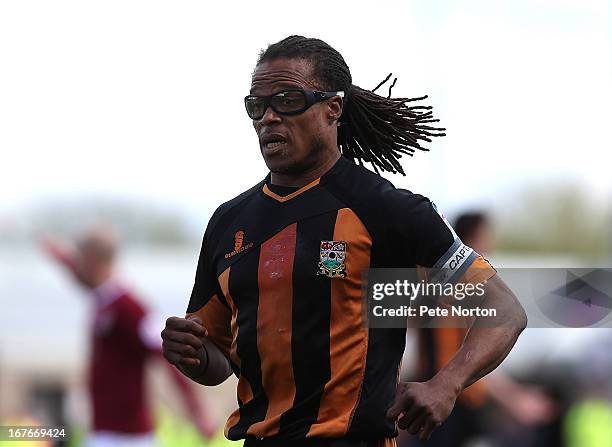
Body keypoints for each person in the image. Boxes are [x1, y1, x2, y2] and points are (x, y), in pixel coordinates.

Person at [161, 35, 527, 447]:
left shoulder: (387, 209)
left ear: (332, 108)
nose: (268, 117)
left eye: (287, 99)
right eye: (256, 105)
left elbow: (505, 310)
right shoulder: (229, 222)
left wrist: (447, 384)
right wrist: (191, 353)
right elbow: (218, 362)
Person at [42, 227, 216, 447]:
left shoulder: (128, 307)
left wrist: (197, 412)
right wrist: (59, 257)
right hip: (106, 432)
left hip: (128, 438)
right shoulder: (102, 298)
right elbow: (80, 277)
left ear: (93, 260)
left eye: (79, 257)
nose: (75, 264)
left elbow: (170, 355)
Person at [404, 212, 555, 446]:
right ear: (472, 241)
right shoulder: (455, 290)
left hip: (446, 404)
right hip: (448, 408)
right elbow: (462, 359)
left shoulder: (434, 284)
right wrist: (515, 400)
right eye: (486, 237)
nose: (490, 245)